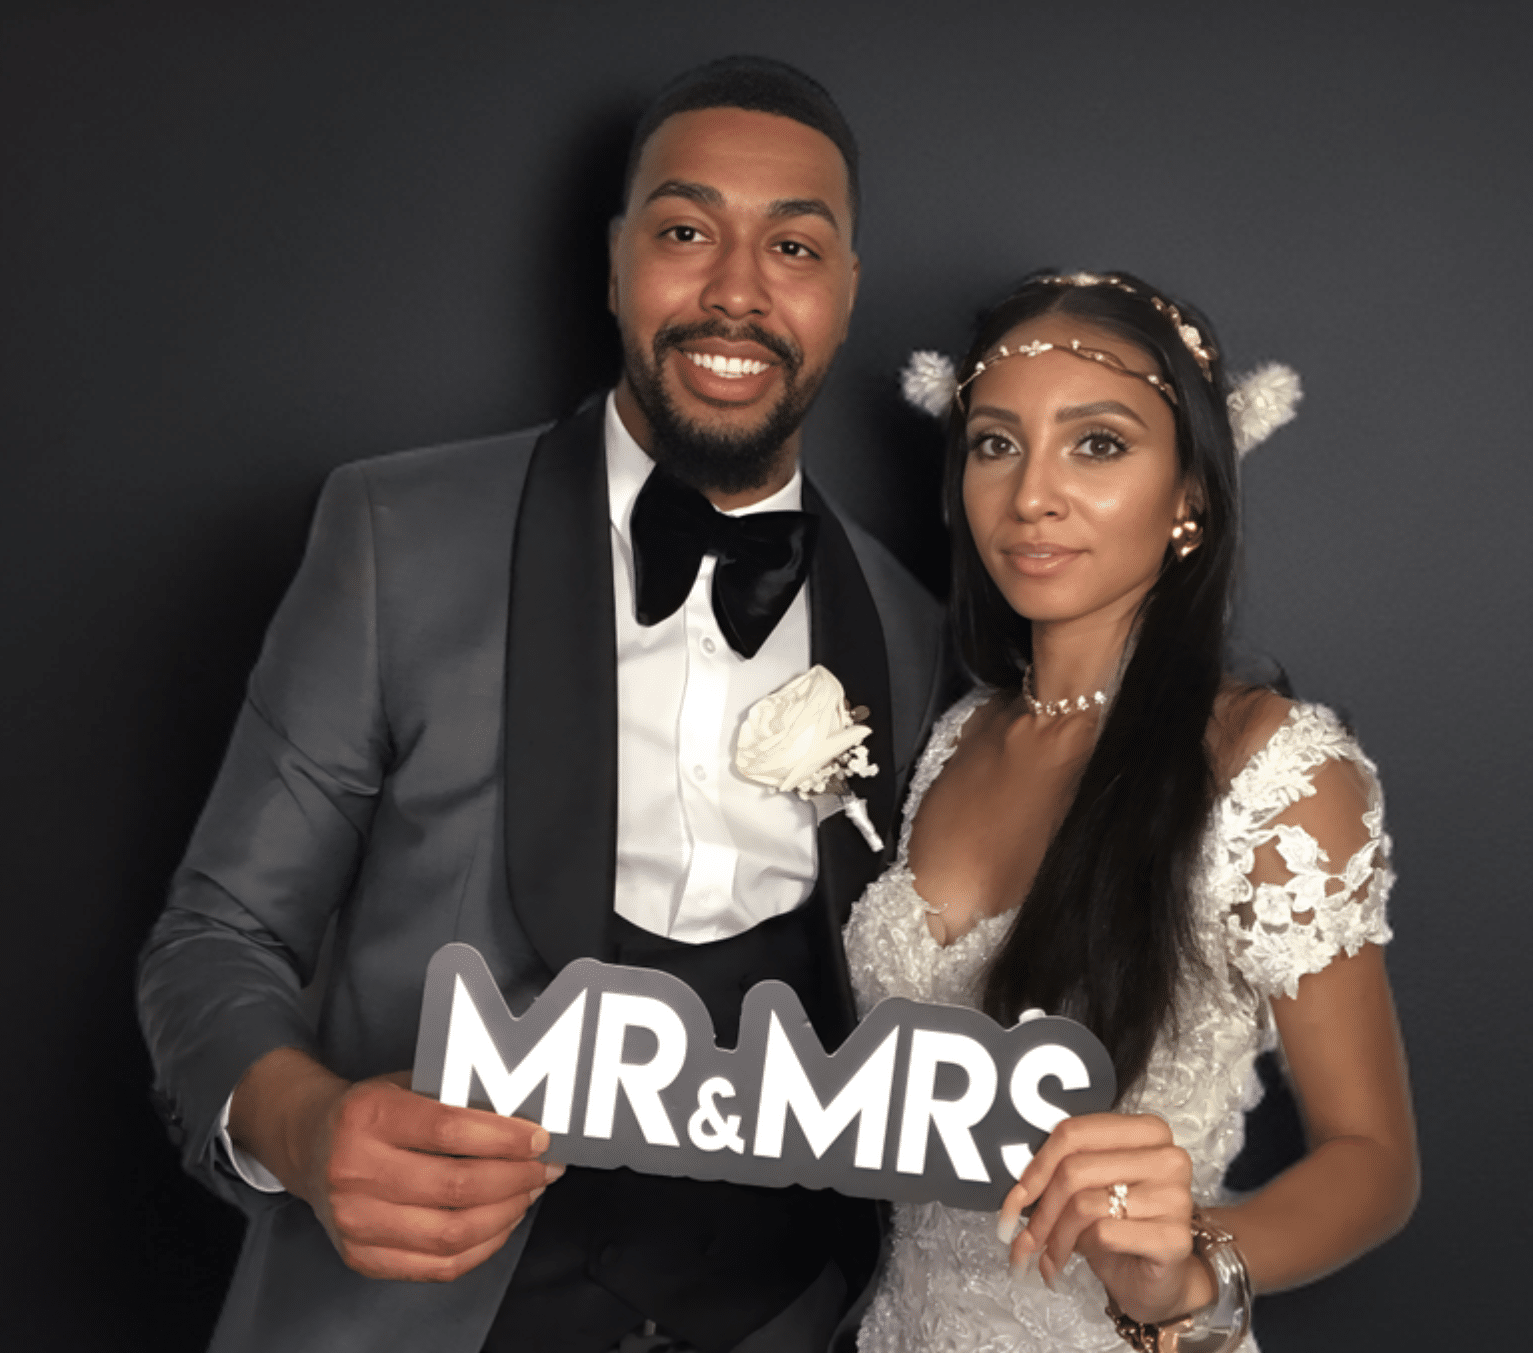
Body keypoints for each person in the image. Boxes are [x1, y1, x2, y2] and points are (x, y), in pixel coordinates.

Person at [137, 57, 947, 1353]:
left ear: (846, 293)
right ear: (618, 262)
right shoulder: (395, 535)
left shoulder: (914, 632)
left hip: (788, 1316)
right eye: (685, 232)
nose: (737, 290)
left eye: (793, 247)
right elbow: (216, 934)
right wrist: (303, 1127)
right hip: (423, 1317)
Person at [845, 272, 1418, 1352]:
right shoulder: (955, 737)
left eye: (1097, 445)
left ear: (1189, 493)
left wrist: (1196, 1264)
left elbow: (1374, 1162)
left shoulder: (1274, 771)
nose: (1032, 495)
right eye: (996, 444)